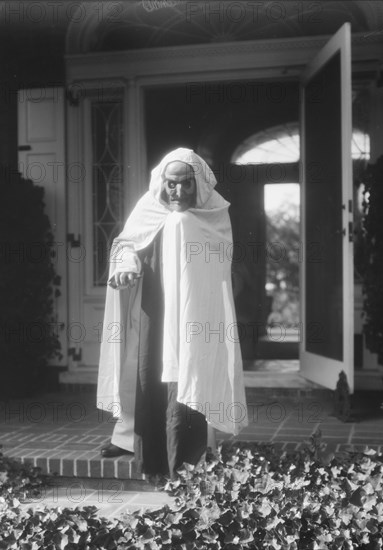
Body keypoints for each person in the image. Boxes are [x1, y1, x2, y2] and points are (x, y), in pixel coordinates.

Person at [97, 148, 248, 479]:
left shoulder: (214, 214)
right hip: (155, 307)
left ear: (199, 186)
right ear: (161, 184)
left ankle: (187, 461)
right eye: (171, 184)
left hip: (196, 312)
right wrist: (128, 263)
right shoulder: (149, 209)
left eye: (186, 184)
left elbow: (218, 268)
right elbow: (126, 244)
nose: (178, 192)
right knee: (149, 371)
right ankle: (149, 454)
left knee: (189, 373)